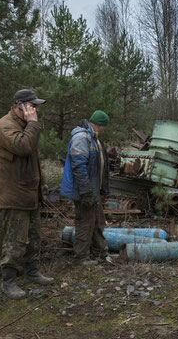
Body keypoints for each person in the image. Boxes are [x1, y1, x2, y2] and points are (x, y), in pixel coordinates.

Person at [0, 89, 53, 299]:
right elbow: (24, 147)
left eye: (35, 106)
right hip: (14, 194)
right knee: (15, 241)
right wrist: (33, 123)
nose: (35, 110)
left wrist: (40, 189)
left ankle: (32, 272)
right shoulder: (5, 125)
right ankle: (8, 281)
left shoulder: (24, 125)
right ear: (19, 105)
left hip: (28, 193)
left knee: (33, 237)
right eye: (31, 106)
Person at [60, 110, 110, 265]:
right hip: (85, 191)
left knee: (98, 222)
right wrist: (86, 192)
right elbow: (79, 167)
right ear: (99, 125)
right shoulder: (82, 137)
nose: (104, 130)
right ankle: (81, 257)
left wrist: (101, 190)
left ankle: (99, 253)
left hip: (93, 190)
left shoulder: (95, 139)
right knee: (85, 222)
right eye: (104, 127)